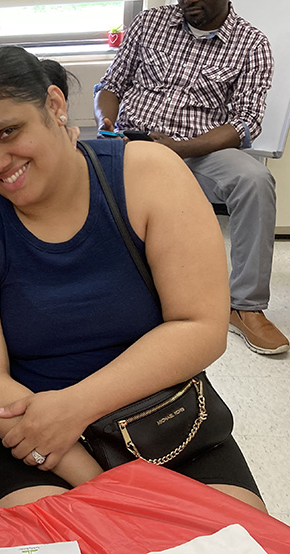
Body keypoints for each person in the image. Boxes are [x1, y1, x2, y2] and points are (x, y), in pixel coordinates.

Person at [0, 46, 266, 521]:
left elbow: (200, 326)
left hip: (165, 419)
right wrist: (106, 488)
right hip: (29, 438)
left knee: (236, 538)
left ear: (55, 106)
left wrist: (76, 406)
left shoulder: (149, 174)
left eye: (8, 131)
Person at [94, 0, 287, 355]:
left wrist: (180, 149)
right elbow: (111, 85)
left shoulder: (251, 44)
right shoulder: (151, 21)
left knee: (255, 180)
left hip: (199, 150)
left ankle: (245, 306)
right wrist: (106, 121)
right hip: (129, 140)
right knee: (75, 168)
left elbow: (245, 123)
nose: (186, 2)